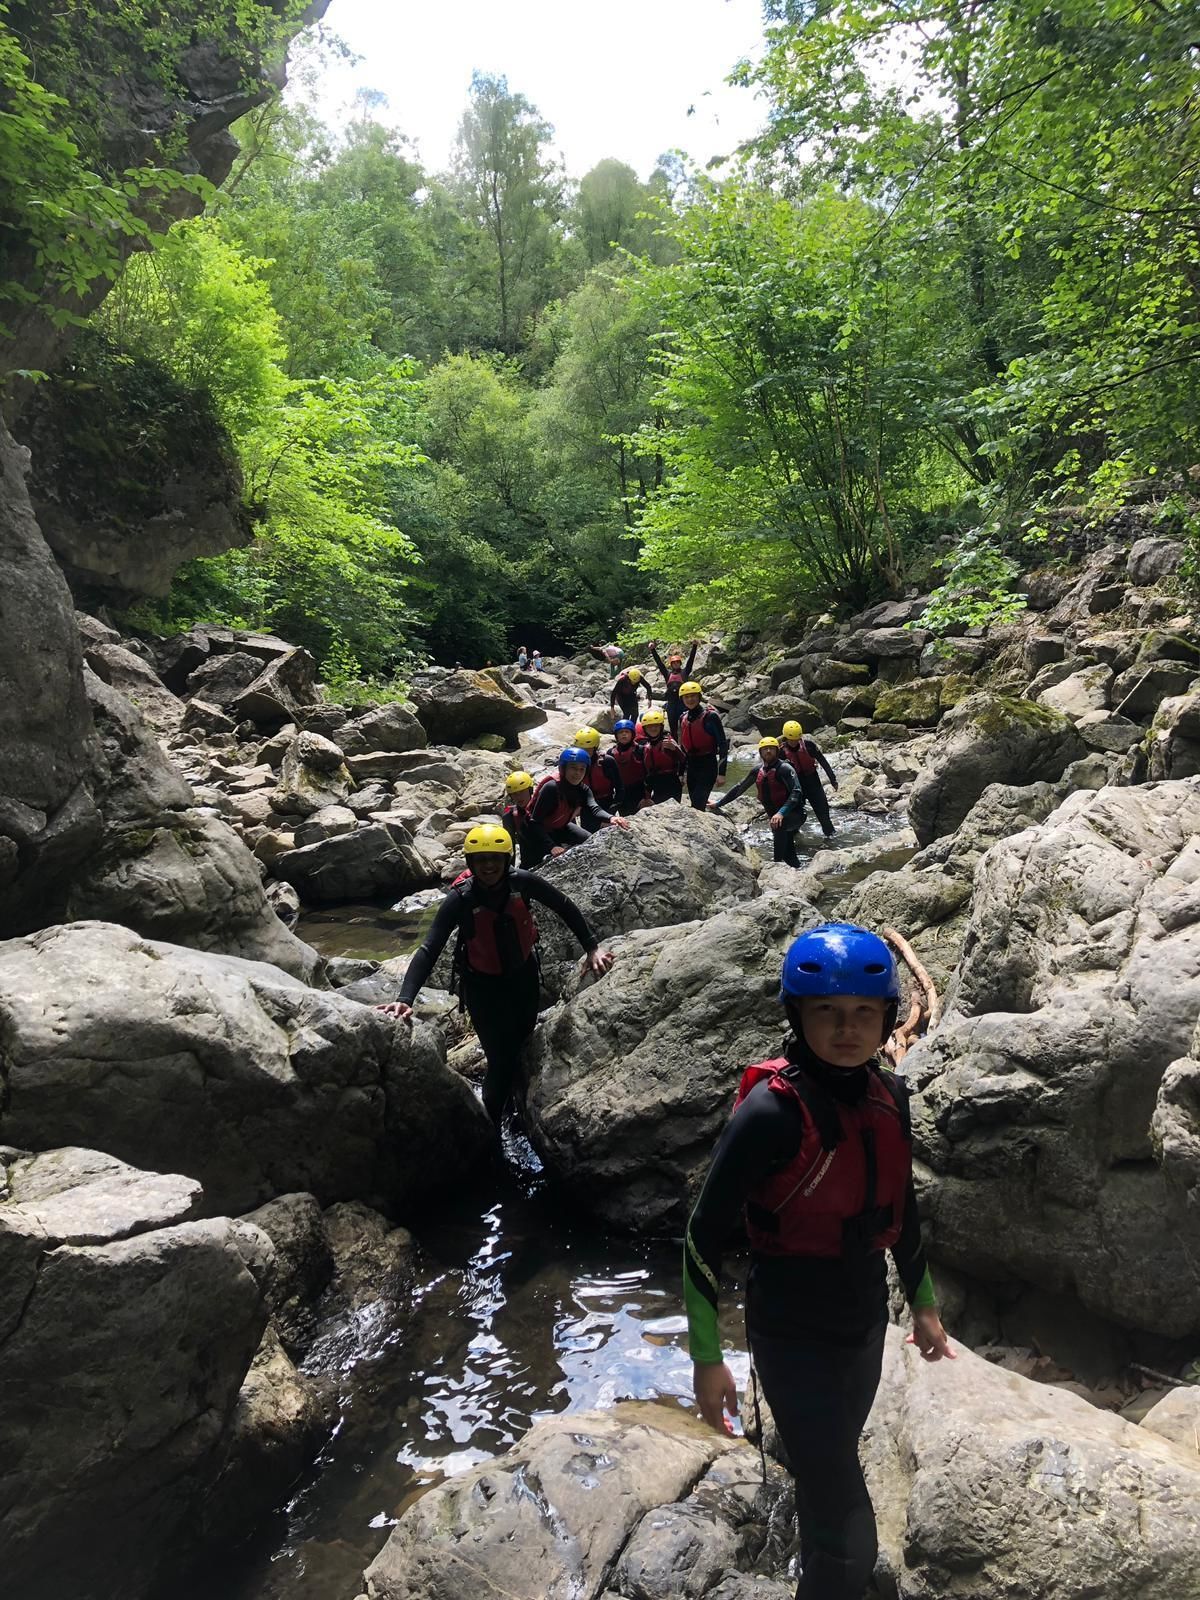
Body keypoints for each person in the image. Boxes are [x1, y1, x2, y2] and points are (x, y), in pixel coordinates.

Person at [684, 923, 953, 1600]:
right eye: (826, 1013)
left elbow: (903, 1210)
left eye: (864, 1015)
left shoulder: (890, 1096)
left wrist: (922, 1306)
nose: (846, 1030)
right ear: (797, 1016)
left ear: (888, 1020)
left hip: (861, 1325)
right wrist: (708, 1356)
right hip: (790, 1333)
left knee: (826, 1463)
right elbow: (702, 1233)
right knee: (839, 1495)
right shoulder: (771, 1113)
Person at [377, 824, 614, 1122]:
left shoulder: (522, 882)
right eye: (481, 859)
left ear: (506, 859)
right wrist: (405, 998)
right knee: (500, 1061)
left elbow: (564, 906)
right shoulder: (461, 899)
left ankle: (519, 1109)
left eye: (494, 858)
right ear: (471, 863)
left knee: (524, 1044)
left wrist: (592, 948)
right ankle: (491, 1129)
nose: (488, 865)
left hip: (524, 978)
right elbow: (429, 948)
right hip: (483, 989)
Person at [522, 746, 630, 867]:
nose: (577, 773)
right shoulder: (551, 788)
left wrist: (611, 818)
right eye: (573, 768)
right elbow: (534, 822)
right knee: (532, 865)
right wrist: (551, 846)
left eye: (582, 769)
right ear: (564, 768)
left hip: (560, 827)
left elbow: (594, 808)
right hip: (537, 832)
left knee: (590, 840)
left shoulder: (582, 789)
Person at [710, 735, 805, 867]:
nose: (768, 752)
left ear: (777, 751)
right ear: (760, 752)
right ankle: (796, 869)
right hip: (776, 817)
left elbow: (796, 793)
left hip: (794, 814)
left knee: (779, 835)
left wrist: (781, 813)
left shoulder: (785, 769)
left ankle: (776, 866)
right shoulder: (757, 770)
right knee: (788, 853)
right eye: (765, 749)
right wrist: (719, 803)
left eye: (771, 749)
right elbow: (739, 788)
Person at [780, 720, 839, 840]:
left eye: (796, 739)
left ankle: (832, 840)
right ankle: (796, 840)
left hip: (813, 783)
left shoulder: (809, 746)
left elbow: (823, 761)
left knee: (824, 816)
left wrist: (833, 779)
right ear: (786, 738)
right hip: (796, 788)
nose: (794, 742)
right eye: (791, 740)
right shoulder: (781, 752)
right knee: (795, 818)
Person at [677, 680, 728, 810]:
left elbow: (722, 744)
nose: (690, 699)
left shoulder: (710, 717)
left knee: (698, 803)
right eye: (686, 697)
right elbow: (683, 748)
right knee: (695, 802)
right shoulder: (683, 718)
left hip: (708, 765)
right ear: (682, 699)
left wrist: (721, 773)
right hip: (692, 766)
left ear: (699, 697)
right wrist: (681, 773)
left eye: (693, 696)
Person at [573, 726, 622, 824]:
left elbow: (620, 789)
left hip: (606, 804)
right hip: (586, 808)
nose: (584, 753)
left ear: (595, 747)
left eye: (588, 749)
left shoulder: (607, 762)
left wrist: (609, 815)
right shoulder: (573, 765)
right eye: (581, 749)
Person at [649, 640, 698, 738]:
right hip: (671, 704)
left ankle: (687, 744)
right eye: (674, 663)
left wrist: (694, 646)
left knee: (685, 726)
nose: (676, 664)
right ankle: (675, 746)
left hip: (682, 704)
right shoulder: (668, 674)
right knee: (673, 729)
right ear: (671, 664)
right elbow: (660, 664)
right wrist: (653, 650)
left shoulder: (684, 672)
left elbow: (690, 661)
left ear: (680, 663)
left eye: (677, 662)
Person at [639, 707, 685, 805]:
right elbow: (647, 774)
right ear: (644, 729)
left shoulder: (668, 742)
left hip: (671, 783)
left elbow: (684, 760)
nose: (653, 728)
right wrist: (646, 794)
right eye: (649, 726)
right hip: (655, 784)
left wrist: (675, 749)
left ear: (661, 726)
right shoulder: (646, 747)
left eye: (656, 726)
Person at [609, 718, 646, 816]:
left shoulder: (641, 750)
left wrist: (647, 797)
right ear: (616, 736)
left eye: (627, 732)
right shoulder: (610, 753)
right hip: (621, 792)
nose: (624, 734)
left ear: (632, 734)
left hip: (638, 791)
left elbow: (648, 774)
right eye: (621, 732)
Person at [501, 770, 537, 868]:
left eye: (522, 792)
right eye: (515, 794)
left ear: (530, 790)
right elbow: (510, 847)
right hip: (528, 863)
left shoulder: (542, 806)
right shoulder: (509, 816)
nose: (519, 797)